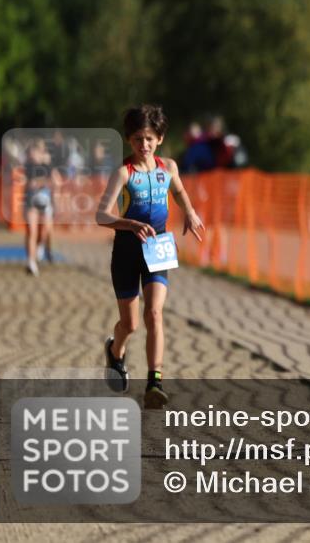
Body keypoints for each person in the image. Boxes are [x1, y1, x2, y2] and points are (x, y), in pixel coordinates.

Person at [95, 105, 205, 409]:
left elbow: (180, 191)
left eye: (149, 138)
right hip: (127, 252)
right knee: (129, 324)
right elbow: (100, 214)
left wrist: (190, 213)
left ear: (159, 139)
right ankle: (115, 352)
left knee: (154, 313)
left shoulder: (167, 167)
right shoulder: (123, 173)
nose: (143, 145)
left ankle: (155, 381)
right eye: (137, 139)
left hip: (159, 247)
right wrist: (130, 224)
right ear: (129, 140)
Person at [22, 138, 60, 276]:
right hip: (31, 202)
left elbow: (57, 181)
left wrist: (41, 182)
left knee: (45, 231)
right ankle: (31, 262)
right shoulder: (28, 165)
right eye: (32, 151)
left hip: (46, 202)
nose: (34, 154)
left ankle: (43, 248)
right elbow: (26, 183)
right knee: (31, 231)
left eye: (37, 151)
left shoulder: (48, 165)